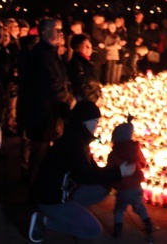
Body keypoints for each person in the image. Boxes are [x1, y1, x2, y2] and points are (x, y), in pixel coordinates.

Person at [28, 101, 136, 242]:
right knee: (93, 230)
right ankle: (46, 222)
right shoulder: (73, 142)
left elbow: (93, 170)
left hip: (62, 193)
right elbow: (85, 175)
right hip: (51, 198)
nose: (97, 126)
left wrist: (116, 172)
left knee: (101, 189)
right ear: (86, 122)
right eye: (96, 122)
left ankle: (70, 212)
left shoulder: (79, 139)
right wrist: (119, 172)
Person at [18, 18, 74, 184]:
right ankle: (33, 187)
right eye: (56, 29)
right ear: (44, 32)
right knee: (39, 150)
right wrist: (67, 97)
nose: (60, 33)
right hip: (42, 110)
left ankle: (39, 184)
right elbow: (51, 82)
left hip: (49, 109)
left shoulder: (50, 52)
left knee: (44, 149)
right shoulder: (41, 54)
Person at [106, 117, 154, 241]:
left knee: (119, 209)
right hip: (136, 186)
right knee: (139, 206)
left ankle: (118, 230)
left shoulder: (113, 154)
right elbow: (143, 163)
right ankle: (148, 224)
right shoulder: (136, 151)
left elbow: (110, 170)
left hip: (123, 188)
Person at [66, 34, 102, 102]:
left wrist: (99, 94)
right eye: (85, 45)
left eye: (89, 44)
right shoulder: (76, 63)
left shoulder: (87, 62)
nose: (89, 48)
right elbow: (81, 85)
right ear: (77, 48)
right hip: (85, 101)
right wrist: (94, 99)